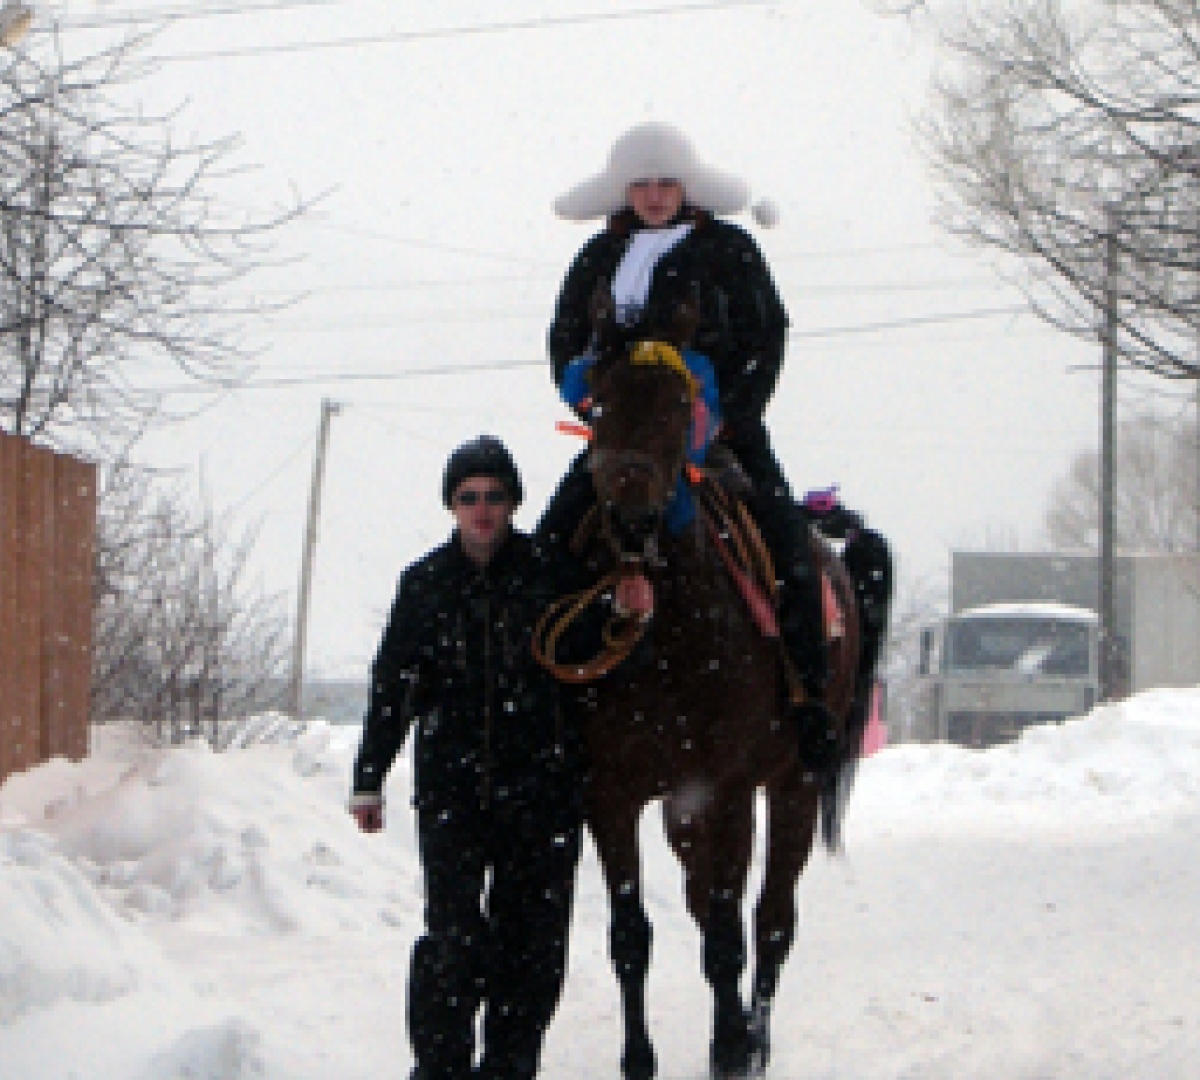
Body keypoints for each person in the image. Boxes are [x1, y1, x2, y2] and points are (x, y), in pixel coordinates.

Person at [538, 120, 839, 772]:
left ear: (686, 187)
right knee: (551, 544)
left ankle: (807, 697)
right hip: (622, 436)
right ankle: (545, 696)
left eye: (665, 182)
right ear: (625, 191)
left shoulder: (729, 249)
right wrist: (585, 396)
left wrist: (730, 412)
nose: (653, 195)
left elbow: (767, 332)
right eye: (641, 184)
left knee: (784, 538)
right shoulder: (597, 257)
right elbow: (564, 336)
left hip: (720, 429)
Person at [348, 435, 584, 1080]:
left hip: (540, 798)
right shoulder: (425, 583)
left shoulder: (550, 575)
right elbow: (391, 686)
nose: (482, 507)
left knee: (529, 948)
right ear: (451, 504)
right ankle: (440, 1066)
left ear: (512, 502)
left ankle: (508, 1067)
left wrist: (626, 608)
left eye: (494, 495)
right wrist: (369, 776)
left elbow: (595, 669)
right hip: (454, 793)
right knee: (452, 942)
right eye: (468, 496)